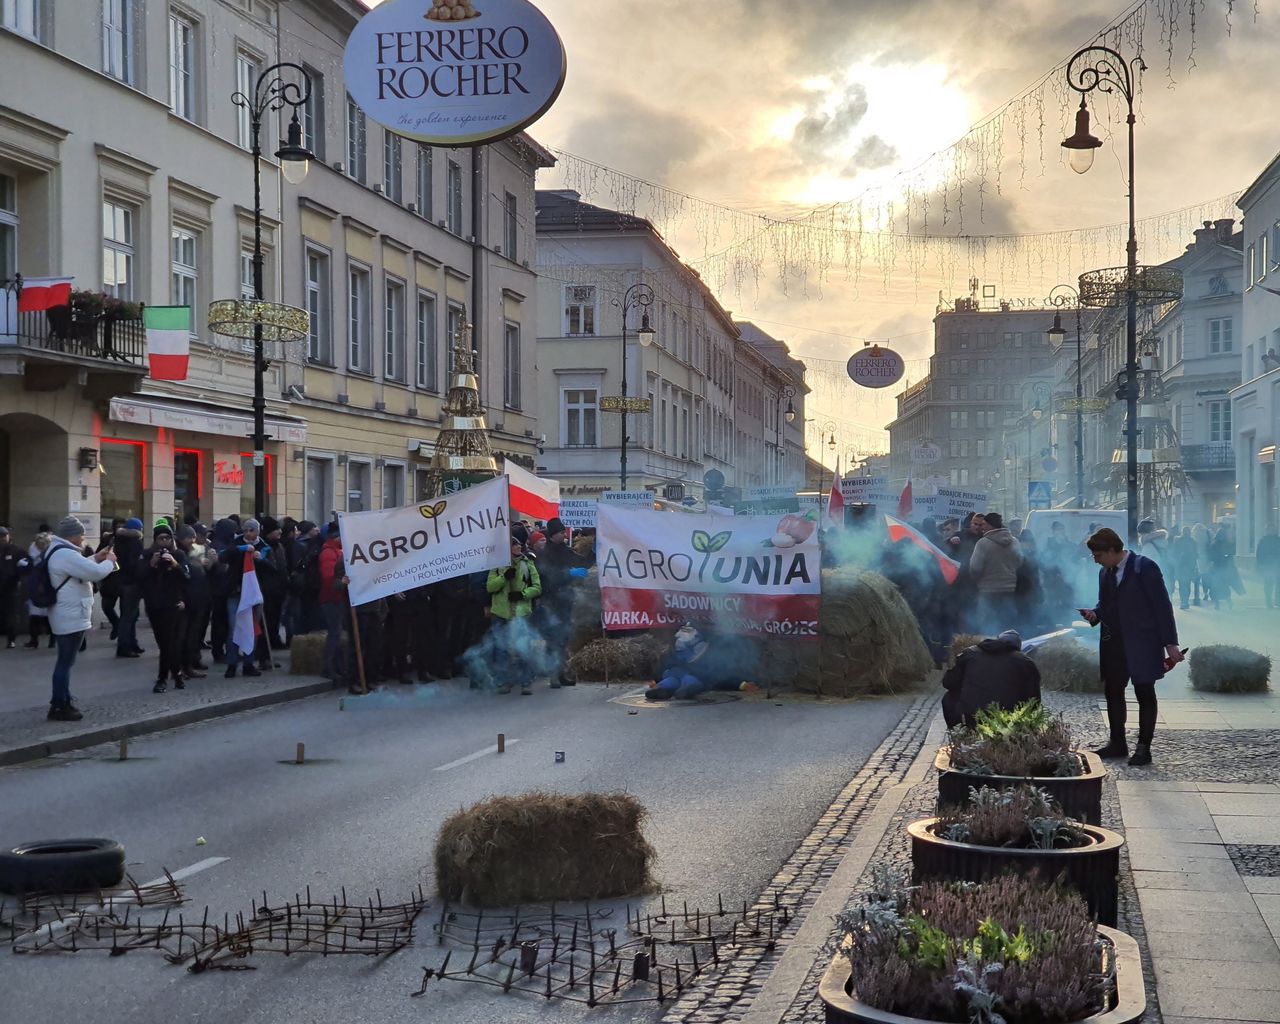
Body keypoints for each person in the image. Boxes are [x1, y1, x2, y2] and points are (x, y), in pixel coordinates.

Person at [1081, 527, 1183, 767]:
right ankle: (1117, 743)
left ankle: (1143, 748)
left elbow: (1162, 607)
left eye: (1098, 555)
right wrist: (1095, 614)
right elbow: (1105, 604)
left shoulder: (1144, 568)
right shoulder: (1105, 573)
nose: (1095, 560)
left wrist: (1171, 644)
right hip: (1113, 643)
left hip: (1142, 642)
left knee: (1144, 692)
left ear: (1113, 550)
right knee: (1113, 691)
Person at [45, 516, 118, 720]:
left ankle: (63, 698)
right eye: (81, 534)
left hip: (66, 613)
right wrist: (109, 562)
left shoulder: (60, 551)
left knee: (65, 660)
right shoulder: (66, 554)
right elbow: (94, 574)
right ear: (73, 536)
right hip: (70, 614)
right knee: (65, 662)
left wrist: (96, 557)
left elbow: (81, 568)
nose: (83, 537)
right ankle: (60, 704)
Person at [940, 629, 1042, 729]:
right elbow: (1034, 698)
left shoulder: (970, 654)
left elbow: (948, 683)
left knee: (949, 696)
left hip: (973, 716)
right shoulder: (1026, 662)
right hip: (1010, 718)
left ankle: (958, 729)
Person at [482, 538, 542, 695]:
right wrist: (504, 577)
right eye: (514, 544)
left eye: (518, 543)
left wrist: (522, 594)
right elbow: (490, 587)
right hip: (501, 613)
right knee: (502, 649)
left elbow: (537, 587)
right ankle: (504, 681)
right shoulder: (497, 566)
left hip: (521, 613)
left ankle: (525, 682)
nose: (518, 546)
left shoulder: (527, 563)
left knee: (523, 648)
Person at [140, 523, 190, 693]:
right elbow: (138, 577)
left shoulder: (179, 554)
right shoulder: (146, 555)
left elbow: (186, 577)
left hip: (172, 603)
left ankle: (162, 678)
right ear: (155, 540)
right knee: (164, 643)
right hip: (154, 604)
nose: (164, 542)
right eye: (161, 538)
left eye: (167, 538)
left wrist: (175, 564)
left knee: (169, 641)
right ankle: (176, 673)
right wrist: (151, 565)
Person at [221, 518, 272, 678]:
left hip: (254, 594)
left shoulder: (263, 546)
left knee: (252, 629)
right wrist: (241, 549)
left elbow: (273, 567)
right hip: (235, 592)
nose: (248, 533)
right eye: (246, 530)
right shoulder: (235, 542)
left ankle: (249, 663)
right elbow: (223, 555)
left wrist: (261, 559)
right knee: (234, 629)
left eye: (251, 530)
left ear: (257, 531)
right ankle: (232, 664)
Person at [969, 512, 1022, 629]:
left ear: (990, 525)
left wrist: (976, 580)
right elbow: (1019, 563)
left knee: (987, 627)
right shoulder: (1015, 542)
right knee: (1007, 626)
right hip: (1009, 590)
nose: (981, 527)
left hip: (988, 592)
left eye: (983, 524)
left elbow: (975, 568)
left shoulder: (983, 543)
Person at [175, 524, 211, 678]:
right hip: (187, 601)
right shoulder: (180, 554)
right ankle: (181, 668)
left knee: (191, 635)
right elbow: (180, 578)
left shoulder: (192, 553)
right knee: (183, 636)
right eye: (190, 538)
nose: (193, 541)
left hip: (195, 598)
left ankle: (187, 665)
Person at [109, 517, 147, 658]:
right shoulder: (135, 542)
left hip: (120, 582)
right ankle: (125, 646)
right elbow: (135, 564)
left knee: (129, 614)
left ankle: (132, 643)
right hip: (132, 583)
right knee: (129, 616)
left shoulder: (117, 540)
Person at [317, 523, 347, 684]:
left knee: (337, 633)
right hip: (332, 598)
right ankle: (329, 667)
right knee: (334, 634)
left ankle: (338, 666)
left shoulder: (336, 550)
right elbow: (328, 577)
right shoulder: (328, 552)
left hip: (338, 597)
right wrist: (342, 583)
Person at [0, 526, 20, 649]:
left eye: (4, 536)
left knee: (10, 614)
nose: (2, 538)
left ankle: (11, 639)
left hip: (9, 588)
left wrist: (18, 578)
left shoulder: (15, 551)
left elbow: (24, 565)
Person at [1170, 526, 1199, 611]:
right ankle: (1184, 601)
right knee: (1186, 584)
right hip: (1187, 565)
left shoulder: (1179, 540)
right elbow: (1196, 554)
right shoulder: (1193, 541)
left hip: (1182, 565)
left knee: (1183, 584)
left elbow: (1174, 552)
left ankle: (1184, 601)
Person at [1257, 524, 1280, 609]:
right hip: (1267, 566)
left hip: (1277, 566)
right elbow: (1259, 554)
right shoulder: (1263, 541)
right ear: (1266, 531)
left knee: (1278, 584)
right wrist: (1261, 565)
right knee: (1268, 584)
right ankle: (1269, 602)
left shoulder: (1278, 540)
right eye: (1270, 530)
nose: (1272, 531)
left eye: (1273, 529)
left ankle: (1278, 601)